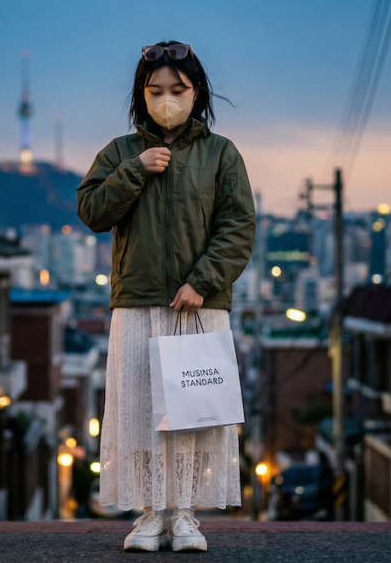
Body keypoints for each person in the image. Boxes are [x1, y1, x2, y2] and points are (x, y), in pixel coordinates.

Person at [77, 41, 255, 553]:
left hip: (198, 304)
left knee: (194, 413)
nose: (166, 99)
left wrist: (202, 281)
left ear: (197, 92)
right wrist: (135, 169)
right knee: (142, 413)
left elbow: (238, 225)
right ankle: (150, 515)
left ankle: (187, 516)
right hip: (137, 304)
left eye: (177, 89)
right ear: (142, 94)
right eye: (155, 90)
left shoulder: (221, 153)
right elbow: (92, 211)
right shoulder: (119, 152)